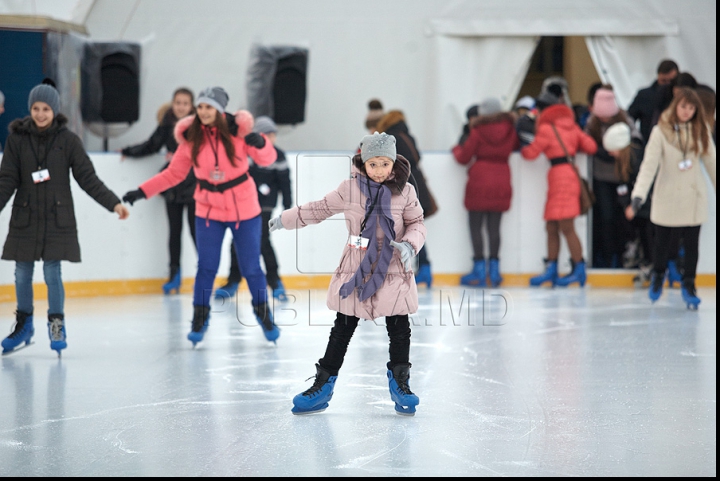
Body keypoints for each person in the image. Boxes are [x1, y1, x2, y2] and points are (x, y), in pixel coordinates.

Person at [269, 132, 425, 416]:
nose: (379, 171)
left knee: (400, 329)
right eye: (373, 164)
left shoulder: (406, 191)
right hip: (357, 266)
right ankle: (322, 385)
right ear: (363, 163)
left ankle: (401, 385)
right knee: (342, 328)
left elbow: (416, 222)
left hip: (393, 267)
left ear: (393, 162)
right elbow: (319, 209)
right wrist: (285, 219)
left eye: (385, 164)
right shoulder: (350, 189)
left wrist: (410, 244)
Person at [122, 86, 280, 345]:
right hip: (209, 211)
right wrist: (142, 192)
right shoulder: (192, 139)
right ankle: (200, 316)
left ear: (220, 110)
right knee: (206, 267)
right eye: (201, 107)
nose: (204, 111)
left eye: (209, 107)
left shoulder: (239, 133)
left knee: (251, 267)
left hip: (245, 210)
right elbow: (173, 174)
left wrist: (261, 143)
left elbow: (267, 160)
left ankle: (263, 314)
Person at [0, 79, 130, 356]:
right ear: (30, 109)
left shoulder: (68, 141)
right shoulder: (17, 141)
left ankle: (56, 323)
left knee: (51, 272)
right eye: (35, 108)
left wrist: (114, 204)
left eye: (46, 108)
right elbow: (6, 180)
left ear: (55, 110)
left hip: (57, 218)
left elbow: (88, 178)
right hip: (25, 216)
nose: (40, 113)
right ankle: (24, 325)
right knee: (22, 274)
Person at [626, 87, 716, 310]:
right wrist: (638, 196)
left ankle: (689, 284)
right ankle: (658, 274)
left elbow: (712, 163)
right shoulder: (660, 132)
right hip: (667, 195)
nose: (687, 112)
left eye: (692, 108)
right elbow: (649, 166)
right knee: (662, 243)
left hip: (693, 195)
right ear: (675, 106)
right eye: (684, 107)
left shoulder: (701, 130)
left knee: (692, 245)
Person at [120, 87, 197, 294]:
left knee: (196, 231)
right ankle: (174, 275)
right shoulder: (168, 124)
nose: (180, 107)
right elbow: (152, 145)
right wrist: (128, 151)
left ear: (191, 106)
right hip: (173, 185)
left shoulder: (198, 127)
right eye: (177, 103)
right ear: (173, 104)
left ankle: (205, 273)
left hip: (194, 185)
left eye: (185, 103)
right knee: (174, 232)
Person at [521, 91, 598, 287]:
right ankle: (553, 268)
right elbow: (591, 146)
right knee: (552, 226)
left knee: (566, 227)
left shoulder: (546, 128)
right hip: (568, 174)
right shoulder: (571, 126)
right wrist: (573, 147)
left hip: (559, 176)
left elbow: (531, 153)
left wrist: (522, 147)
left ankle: (577, 269)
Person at [214, 116, 292, 301]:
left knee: (263, 241)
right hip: (243, 206)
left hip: (265, 207)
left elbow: (285, 182)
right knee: (236, 242)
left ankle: (275, 282)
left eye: (272, 135)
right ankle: (233, 281)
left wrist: (288, 205)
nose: (270, 139)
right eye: (266, 135)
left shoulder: (278, 156)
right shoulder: (247, 153)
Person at [452, 97, 519, 287]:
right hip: (502, 178)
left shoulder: (477, 131)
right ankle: (495, 272)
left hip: (480, 180)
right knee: (494, 227)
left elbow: (464, 158)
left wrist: (457, 149)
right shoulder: (510, 130)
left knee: (475, 226)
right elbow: (515, 147)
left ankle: (480, 271)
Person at [376, 109, 436, 287]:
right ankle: (424, 269)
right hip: (416, 186)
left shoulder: (392, 139)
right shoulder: (407, 136)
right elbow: (417, 157)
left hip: (404, 189)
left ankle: (417, 268)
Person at [585, 86, 641, 268]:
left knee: (623, 219)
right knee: (606, 218)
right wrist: (596, 150)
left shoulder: (624, 118)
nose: (604, 119)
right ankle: (609, 257)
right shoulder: (592, 122)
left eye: (607, 116)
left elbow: (637, 138)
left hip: (621, 176)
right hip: (601, 177)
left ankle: (623, 253)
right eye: (602, 116)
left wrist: (624, 148)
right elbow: (584, 140)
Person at [602, 123, 655, 284]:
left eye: (612, 149)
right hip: (637, 206)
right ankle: (645, 262)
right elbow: (623, 185)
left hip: (647, 203)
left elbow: (645, 183)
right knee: (636, 227)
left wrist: (634, 205)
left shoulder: (638, 158)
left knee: (649, 233)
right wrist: (627, 205)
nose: (610, 153)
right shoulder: (622, 162)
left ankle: (654, 265)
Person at [627, 59, 679, 147]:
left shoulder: (683, 98)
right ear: (658, 77)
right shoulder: (645, 95)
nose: (667, 85)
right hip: (650, 144)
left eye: (671, 81)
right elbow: (630, 118)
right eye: (663, 81)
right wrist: (636, 139)